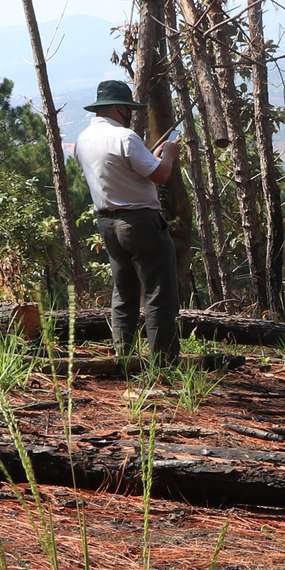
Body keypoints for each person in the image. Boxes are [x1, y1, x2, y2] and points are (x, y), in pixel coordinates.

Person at [72, 79, 185, 363]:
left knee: (124, 291)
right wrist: (168, 156)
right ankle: (163, 363)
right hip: (141, 222)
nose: (132, 113)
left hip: (108, 224)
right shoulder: (125, 137)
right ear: (120, 107)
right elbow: (160, 176)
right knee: (159, 291)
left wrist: (151, 158)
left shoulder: (83, 140)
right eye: (129, 108)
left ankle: (123, 358)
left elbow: (116, 171)